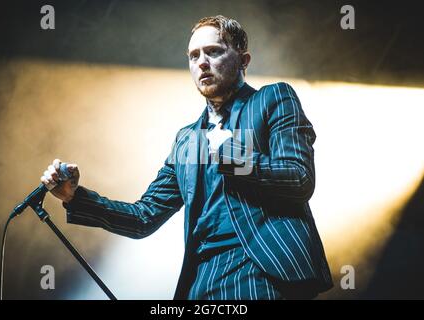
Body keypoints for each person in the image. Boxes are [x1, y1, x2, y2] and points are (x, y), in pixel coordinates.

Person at [41, 15, 333, 300]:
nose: (202, 62)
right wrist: (74, 197)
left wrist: (233, 157)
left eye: (213, 51)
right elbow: (144, 217)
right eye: (194, 56)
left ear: (243, 61)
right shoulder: (187, 139)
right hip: (201, 279)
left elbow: (299, 178)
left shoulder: (271, 99)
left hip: (261, 271)